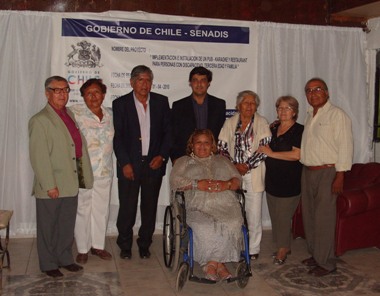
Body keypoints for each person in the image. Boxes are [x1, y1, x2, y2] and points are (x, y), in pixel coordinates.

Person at [29, 76, 94, 278]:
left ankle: (65, 258)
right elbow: (39, 157)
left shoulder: (68, 114)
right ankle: (48, 263)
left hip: (70, 181)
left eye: (65, 90)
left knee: (66, 224)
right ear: (47, 93)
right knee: (49, 226)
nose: (62, 94)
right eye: (57, 90)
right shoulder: (40, 120)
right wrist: (49, 185)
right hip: (52, 183)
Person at [113, 65, 171, 260]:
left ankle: (145, 244)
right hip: (129, 166)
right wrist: (124, 163)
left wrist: (162, 156)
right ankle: (125, 245)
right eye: (140, 80)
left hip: (154, 165)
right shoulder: (120, 104)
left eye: (148, 80)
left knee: (149, 208)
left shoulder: (161, 102)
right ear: (132, 82)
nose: (145, 84)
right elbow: (118, 137)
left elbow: (168, 133)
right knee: (127, 208)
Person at [170, 129, 242, 281]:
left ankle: (212, 264)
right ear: (192, 145)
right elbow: (174, 181)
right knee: (205, 226)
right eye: (198, 143)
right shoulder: (183, 161)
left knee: (233, 222)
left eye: (206, 143)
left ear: (212, 146)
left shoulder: (223, 160)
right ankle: (218, 265)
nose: (202, 146)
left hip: (225, 204)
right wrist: (196, 184)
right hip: (198, 205)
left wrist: (227, 184)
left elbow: (237, 179)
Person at [300, 77, 353, 277]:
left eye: (317, 89)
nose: (312, 93)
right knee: (310, 216)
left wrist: (340, 176)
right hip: (308, 171)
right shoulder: (308, 115)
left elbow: (345, 147)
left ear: (327, 92)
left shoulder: (337, 116)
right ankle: (316, 255)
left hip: (328, 172)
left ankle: (327, 263)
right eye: (308, 90)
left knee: (324, 219)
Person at [218, 90, 271, 260]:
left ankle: (253, 249)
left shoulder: (262, 122)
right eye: (246, 103)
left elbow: (264, 149)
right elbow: (221, 146)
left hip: (253, 173)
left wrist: (246, 166)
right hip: (233, 174)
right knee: (234, 212)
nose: (249, 106)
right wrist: (234, 166)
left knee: (253, 213)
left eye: (253, 103)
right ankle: (236, 246)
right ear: (238, 105)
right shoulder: (230, 122)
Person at [70, 79, 114, 264]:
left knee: (101, 210)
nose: (93, 96)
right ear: (83, 96)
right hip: (83, 171)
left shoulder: (111, 114)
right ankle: (82, 248)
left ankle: (98, 246)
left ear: (103, 95)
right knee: (82, 209)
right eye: (88, 93)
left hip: (105, 170)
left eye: (97, 92)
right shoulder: (75, 113)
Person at [257, 96, 304, 265]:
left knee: (283, 217)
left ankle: (283, 249)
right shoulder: (273, 127)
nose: (283, 111)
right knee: (275, 216)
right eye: (280, 108)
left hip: (290, 181)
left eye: (287, 108)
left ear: (295, 112)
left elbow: (296, 155)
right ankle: (282, 245)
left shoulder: (299, 130)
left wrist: (271, 154)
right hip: (272, 180)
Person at [171, 66, 226, 162]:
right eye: (195, 80)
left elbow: (222, 134)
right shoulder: (178, 106)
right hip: (186, 158)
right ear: (190, 83)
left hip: (213, 159)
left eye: (203, 80)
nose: (199, 84)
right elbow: (173, 134)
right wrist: (175, 158)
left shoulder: (219, 105)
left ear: (208, 83)